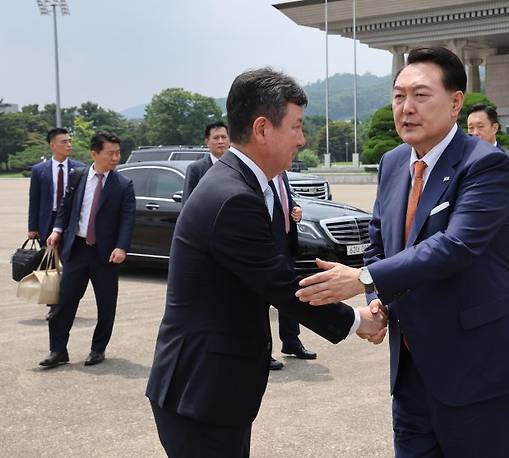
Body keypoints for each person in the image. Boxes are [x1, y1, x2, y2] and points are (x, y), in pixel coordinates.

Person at [296, 47, 509, 457]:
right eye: (398, 96)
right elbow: (379, 241)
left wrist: (362, 280)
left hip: (479, 371)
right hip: (412, 372)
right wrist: (378, 304)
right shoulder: (394, 162)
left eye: (420, 95)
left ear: (455, 102)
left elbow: (455, 245)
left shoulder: (486, 164)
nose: (406, 108)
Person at [145, 68, 387, 457]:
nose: (302, 139)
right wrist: (359, 319)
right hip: (201, 392)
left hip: (211, 389)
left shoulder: (237, 183)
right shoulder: (234, 196)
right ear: (262, 129)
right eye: (296, 127)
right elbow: (280, 284)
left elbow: (268, 267)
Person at [39, 132, 136, 368]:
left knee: (106, 304)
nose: (115, 157)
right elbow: (65, 207)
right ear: (94, 153)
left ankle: (97, 349)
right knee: (63, 302)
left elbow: (128, 219)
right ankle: (58, 350)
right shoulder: (78, 176)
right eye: (110, 153)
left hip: (105, 255)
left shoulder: (123, 185)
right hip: (77, 250)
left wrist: (121, 246)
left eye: (117, 153)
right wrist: (58, 229)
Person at [28, 128, 86, 319]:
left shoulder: (79, 169)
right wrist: (32, 228)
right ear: (52, 145)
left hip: (70, 222)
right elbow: (34, 200)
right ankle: (53, 305)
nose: (69, 145)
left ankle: (68, 301)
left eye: (70, 141)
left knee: (70, 264)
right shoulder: (39, 170)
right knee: (50, 267)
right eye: (64, 142)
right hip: (48, 220)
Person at [268, 171, 316, 371]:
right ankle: (263, 351)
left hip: (286, 245)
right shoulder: (263, 174)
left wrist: (295, 208)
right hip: (268, 247)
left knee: (291, 294)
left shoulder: (282, 174)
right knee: (264, 298)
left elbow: (285, 199)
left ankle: (291, 341)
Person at [467, 104, 509, 261]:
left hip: (501, 239)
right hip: (469, 239)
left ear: (494, 128)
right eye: (470, 128)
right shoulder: (463, 160)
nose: (474, 133)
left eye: (480, 127)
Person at [182, 121, 231, 203]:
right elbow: (188, 202)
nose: (220, 141)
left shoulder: (238, 166)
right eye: (216, 138)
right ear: (207, 142)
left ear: (229, 140)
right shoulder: (195, 169)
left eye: (224, 137)